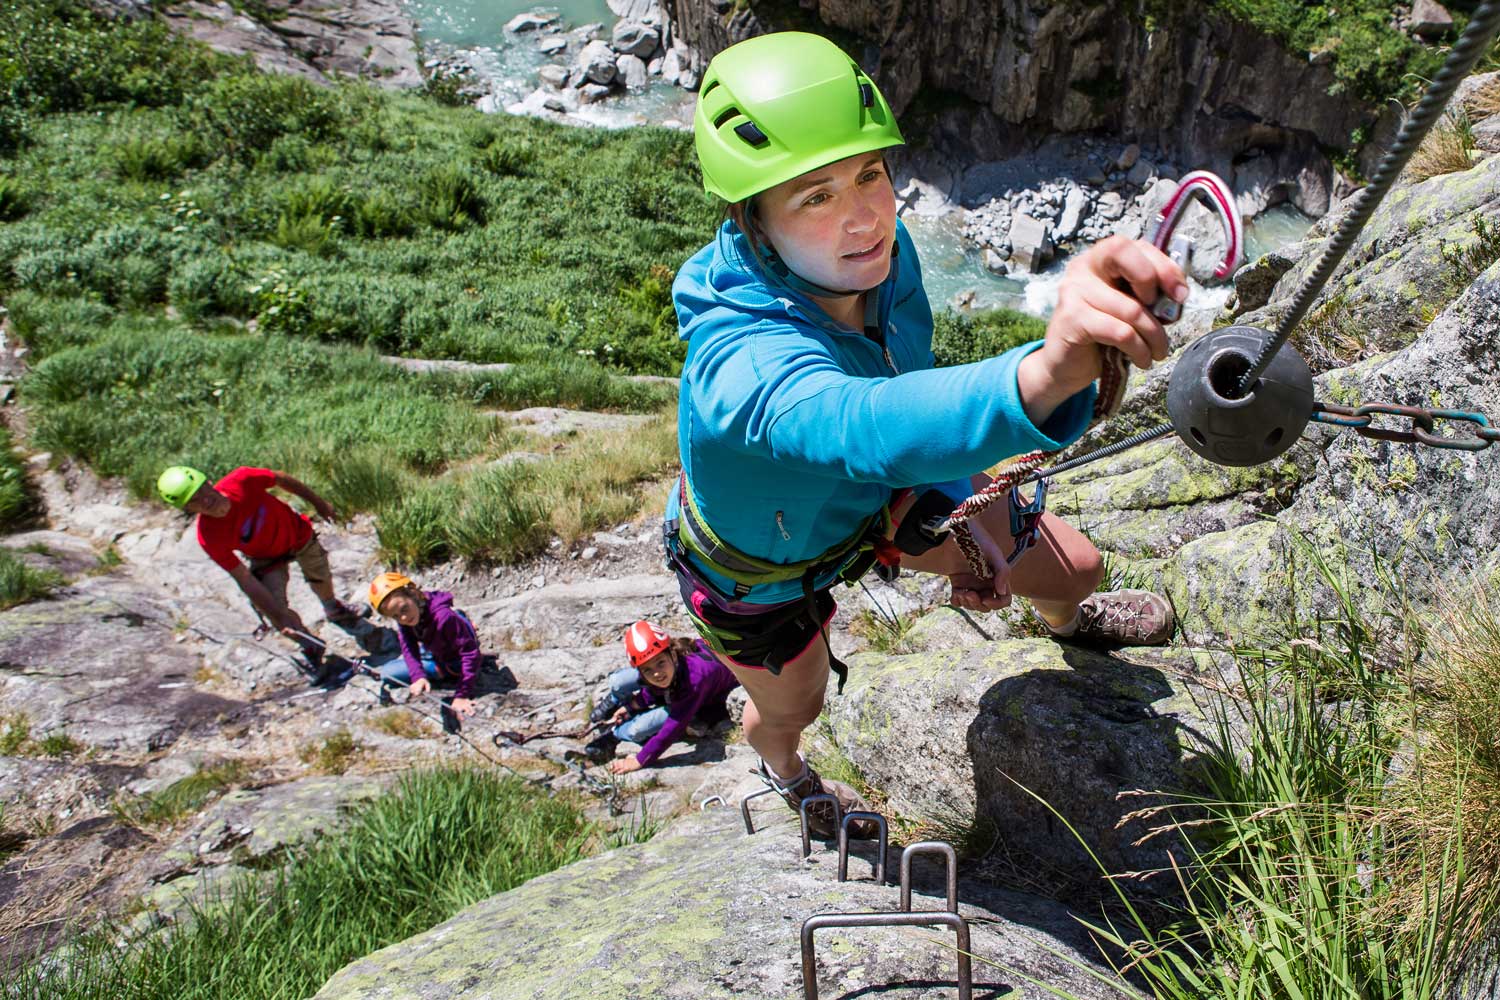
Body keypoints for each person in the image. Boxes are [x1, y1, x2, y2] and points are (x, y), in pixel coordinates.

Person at [667, 32, 1180, 837]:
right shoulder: (737, 363)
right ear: (754, 221)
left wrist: (958, 503)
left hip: (882, 494)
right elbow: (858, 424)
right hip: (759, 573)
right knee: (794, 702)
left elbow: (899, 391)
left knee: (1072, 569)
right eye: (815, 196)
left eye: (870, 173)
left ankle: (1073, 626)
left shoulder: (884, 258)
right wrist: (1043, 374)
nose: (865, 216)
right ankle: (781, 765)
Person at [158, 465, 361, 642]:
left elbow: (280, 478)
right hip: (266, 558)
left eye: (201, 490)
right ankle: (308, 642)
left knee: (320, 574)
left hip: (298, 535)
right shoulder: (209, 537)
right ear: (188, 509)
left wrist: (319, 503)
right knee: (274, 611)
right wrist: (277, 616)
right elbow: (244, 577)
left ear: (208, 482)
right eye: (194, 500)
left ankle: (332, 607)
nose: (204, 500)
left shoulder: (242, 480)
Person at [583, 620, 741, 774]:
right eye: (647, 670)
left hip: (701, 700)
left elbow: (672, 728)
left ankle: (615, 734)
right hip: (681, 688)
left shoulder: (695, 680)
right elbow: (658, 686)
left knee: (636, 730)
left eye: (660, 663)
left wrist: (640, 760)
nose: (656, 673)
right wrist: (632, 705)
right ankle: (615, 705)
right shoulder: (672, 663)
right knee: (621, 680)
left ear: (672, 655)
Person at [368, 572, 484, 720]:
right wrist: (418, 676)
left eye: (404, 609)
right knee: (408, 658)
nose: (403, 618)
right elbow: (408, 644)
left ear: (413, 594)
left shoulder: (443, 617)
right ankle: (463, 623)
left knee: (387, 672)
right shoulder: (412, 610)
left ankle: (441, 667)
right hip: (436, 645)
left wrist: (462, 694)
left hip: (451, 662)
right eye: (395, 616)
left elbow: (470, 655)